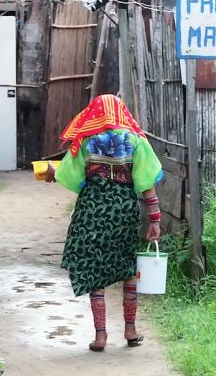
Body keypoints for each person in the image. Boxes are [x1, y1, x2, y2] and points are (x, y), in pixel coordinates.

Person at [45, 94, 163, 352]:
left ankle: (100, 336)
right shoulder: (136, 140)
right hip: (123, 213)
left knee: (94, 270)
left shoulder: (84, 141)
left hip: (92, 211)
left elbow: (68, 175)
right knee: (128, 269)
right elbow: (147, 183)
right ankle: (130, 329)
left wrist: (52, 173)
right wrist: (154, 219)